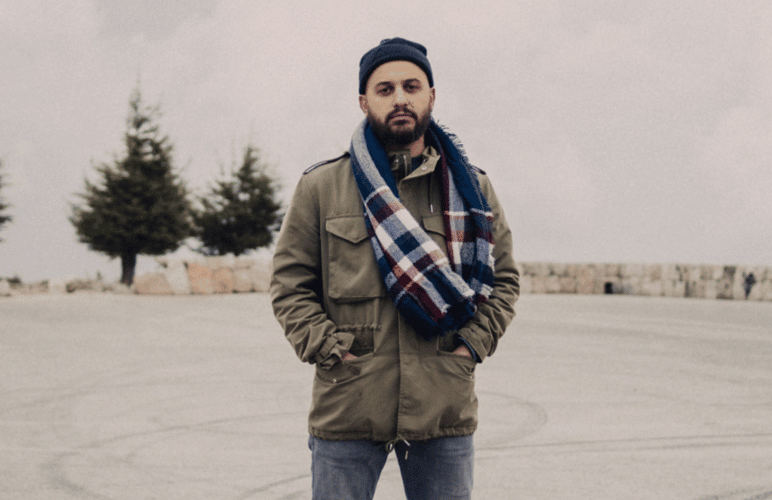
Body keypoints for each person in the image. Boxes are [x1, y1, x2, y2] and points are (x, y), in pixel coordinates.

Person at [270, 37, 519, 500]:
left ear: (431, 95)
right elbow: (290, 286)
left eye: (411, 86)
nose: (400, 98)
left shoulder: (473, 189)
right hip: (349, 399)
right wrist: (330, 351)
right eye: (385, 89)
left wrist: (470, 347)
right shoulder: (321, 187)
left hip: (442, 403)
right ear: (364, 101)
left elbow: (502, 280)